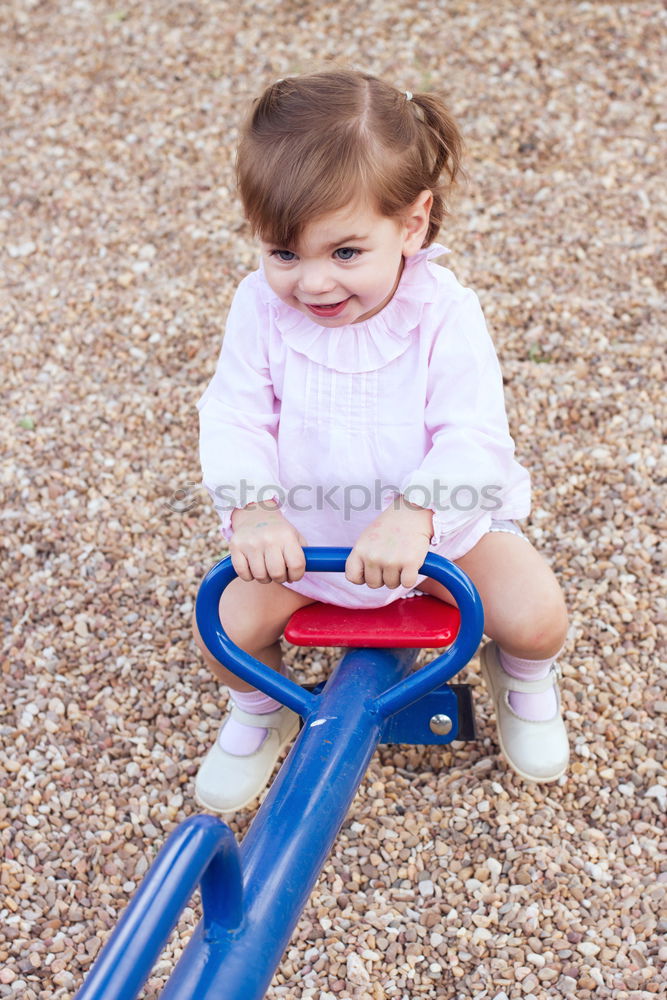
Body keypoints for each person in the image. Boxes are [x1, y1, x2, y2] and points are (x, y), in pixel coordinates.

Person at [193, 70, 569, 813]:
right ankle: (260, 709)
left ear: (412, 223)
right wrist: (255, 512)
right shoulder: (259, 312)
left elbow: (472, 433)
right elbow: (234, 415)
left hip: (439, 538)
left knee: (534, 615)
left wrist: (416, 513)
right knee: (225, 628)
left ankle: (523, 682)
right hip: (307, 538)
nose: (312, 284)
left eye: (344, 253)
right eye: (283, 254)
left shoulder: (443, 313)